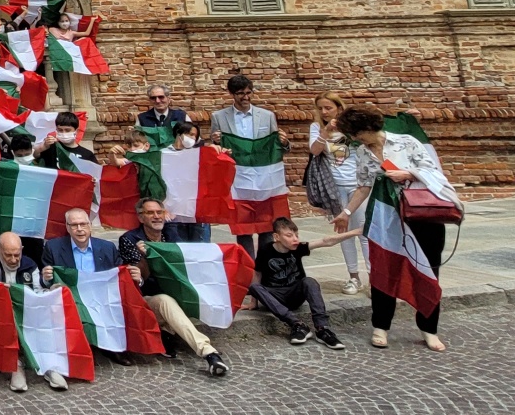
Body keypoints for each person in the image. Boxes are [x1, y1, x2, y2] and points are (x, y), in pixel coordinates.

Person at [339, 107, 458, 352]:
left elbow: (434, 171)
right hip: (387, 219)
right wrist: (347, 212)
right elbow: (363, 186)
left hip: (422, 215)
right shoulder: (362, 152)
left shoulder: (406, 142)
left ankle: (429, 329)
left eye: (360, 135)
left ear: (371, 127)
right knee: (384, 269)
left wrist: (407, 173)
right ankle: (380, 327)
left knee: (428, 270)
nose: (358, 140)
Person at [117, 199, 229, 377]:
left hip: (175, 292)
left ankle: (167, 333)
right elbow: (137, 282)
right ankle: (208, 352)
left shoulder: (171, 235)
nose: (156, 216)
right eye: (150, 213)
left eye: (159, 212)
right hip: (149, 299)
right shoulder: (129, 240)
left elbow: (185, 264)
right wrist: (144, 257)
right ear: (140, 217)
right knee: (166, 301)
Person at [210, 73, 286, 257]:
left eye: (248, 92)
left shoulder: (267, 116)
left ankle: (265, 263)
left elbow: (275, 147)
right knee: (242, 225)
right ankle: (247, 266)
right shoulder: (219, 117)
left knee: (266, 223)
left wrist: (283, 143)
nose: (245, 97)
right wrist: (216, 142)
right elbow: (215, 149)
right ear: (231, 94)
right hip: (238, 177)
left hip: (264, 176)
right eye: (240, 93)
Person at [252, 216, 355, 348]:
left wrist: (357, 232)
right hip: (275, 296)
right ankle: (297, 324)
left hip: (295, 294)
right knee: (254, 287)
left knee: (309, 281)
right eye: (289, 235)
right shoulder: (265, 250)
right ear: (277, 237)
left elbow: (326, 241)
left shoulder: (298, 248)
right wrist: (253, 302)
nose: (295, 239)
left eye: (296, 235)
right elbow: (257, 273)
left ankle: (322, 329)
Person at [0, 231, 58, 394]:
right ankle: (16, 366)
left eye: (17, 255)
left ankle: (48, 364)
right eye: (8, 255)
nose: (13, 260)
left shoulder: (30, 264)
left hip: (27, 313)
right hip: (0, 316)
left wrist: (49, 289)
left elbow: (38, 291)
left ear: (22, 249)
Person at [305, 94, 363, 293]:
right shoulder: (316, 127)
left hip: (359, 185)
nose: (324, 112)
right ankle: (353, 277)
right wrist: (326, 131)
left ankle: (375, 277)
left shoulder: (352, 126)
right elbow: (314, 150)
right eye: (320, 108)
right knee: (344, 232)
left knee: (364, 231)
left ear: (339, 107)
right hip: (334, 186)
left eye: (328, 108)